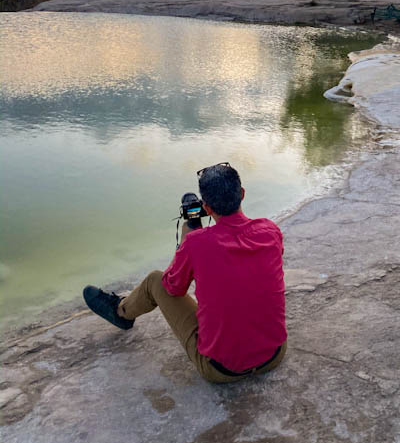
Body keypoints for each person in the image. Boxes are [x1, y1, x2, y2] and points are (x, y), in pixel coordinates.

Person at [83, 163, 287, 383]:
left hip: (221, 370)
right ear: (242, 194)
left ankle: (120, 312)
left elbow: (173, 286)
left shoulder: (196, 244)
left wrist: (185, 242)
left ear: (207, 208)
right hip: (274, 355)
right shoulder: (270, 231)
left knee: (154, 280)